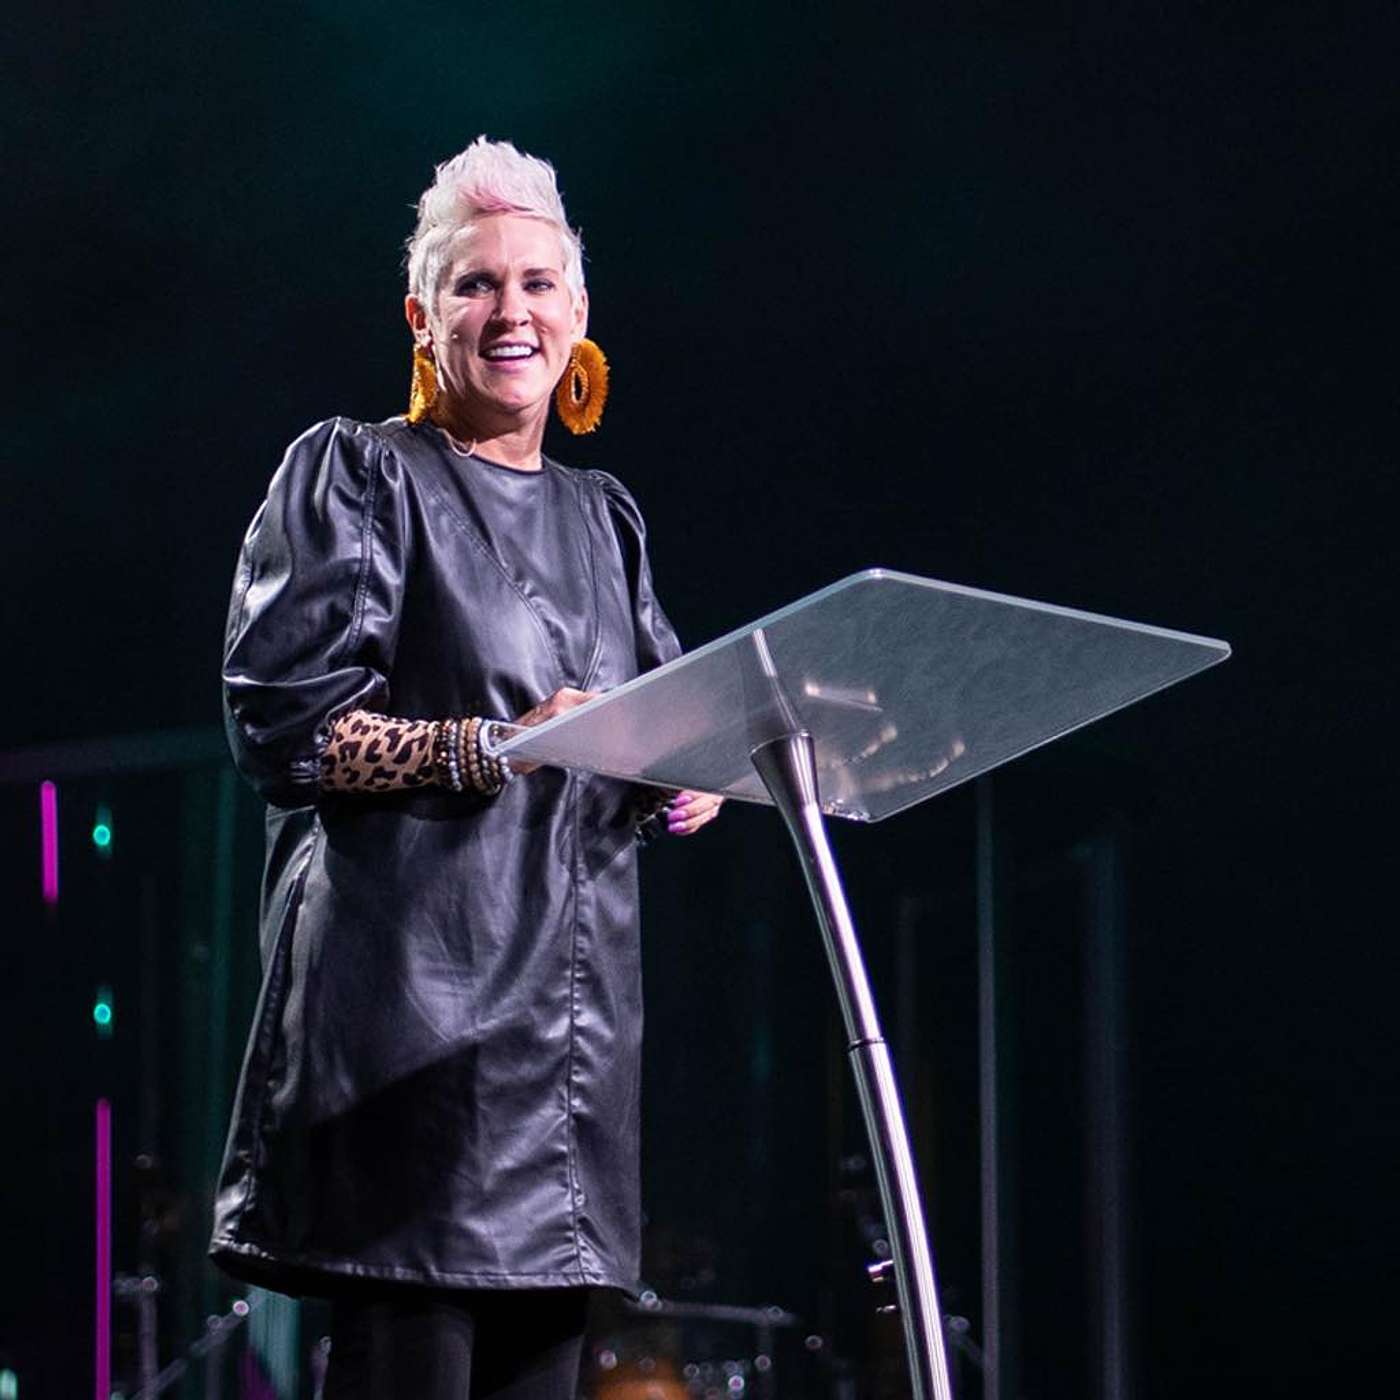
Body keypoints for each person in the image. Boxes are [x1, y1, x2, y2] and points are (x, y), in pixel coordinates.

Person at [211, 135, 722, 1399]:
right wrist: (499, 743)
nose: (510, 312)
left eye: (537, 283)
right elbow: (289, 726)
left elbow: (656, 725)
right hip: (416, 1055)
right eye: (475, 283)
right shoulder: (360, 472)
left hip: (569, 1067)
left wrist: (694, 772)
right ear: (421, 314)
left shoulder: (604, 516)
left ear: (578, 311)